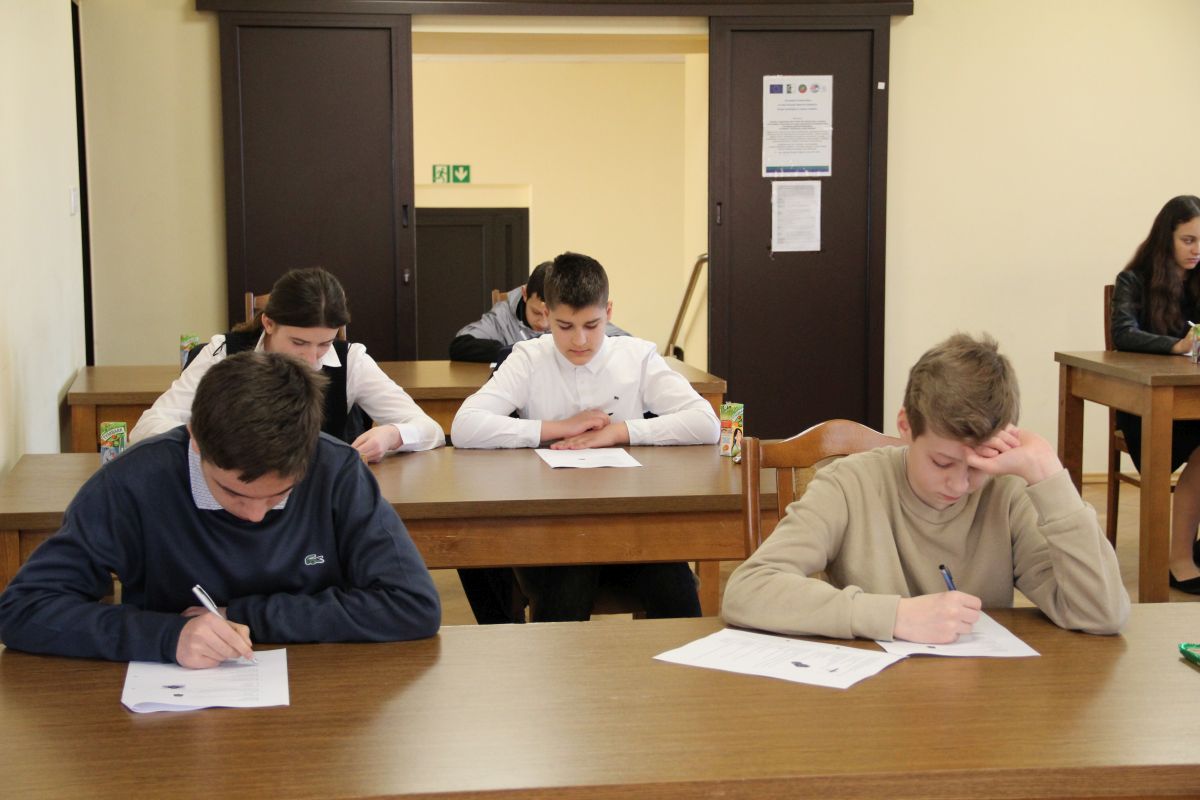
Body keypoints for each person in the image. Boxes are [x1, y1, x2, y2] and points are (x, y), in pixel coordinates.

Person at [0, 352, 441, 667]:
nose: (254, 516)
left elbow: (413, 605)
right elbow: (22, 609)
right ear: (195, 438)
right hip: (175, 701)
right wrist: (166, 636)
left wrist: (244, 615)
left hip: (319, 691)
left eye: (278, 496)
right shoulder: (132, 483)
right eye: (233, 493)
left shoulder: (336, 470)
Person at [721, 333, 1129, 643]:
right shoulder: (848, 484)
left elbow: (1103, 614)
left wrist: (1049, 476)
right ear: (905, 426)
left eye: (978, 466)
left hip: (982, 705)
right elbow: (747, 591)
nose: (959, 484)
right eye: (942, 462)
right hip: (872, 706)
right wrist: (894, 616)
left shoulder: (1006, 493)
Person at [451, 251, 720, 622]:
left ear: (608, 311)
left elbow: (706, 423)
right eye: (565, 326)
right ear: (546, 314)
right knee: (568, 585)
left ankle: (683, 661)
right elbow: (465, 426)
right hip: (552, 530)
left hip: (629, 527)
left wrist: (618, 432)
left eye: (592, 325)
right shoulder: (528, 358)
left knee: (674, 583)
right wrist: (561, 427)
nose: (579, 340)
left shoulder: (637, 356)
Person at [131, 266, 445, 461]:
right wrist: (209, 441)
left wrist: (391, 435)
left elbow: (429, 429)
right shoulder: (222, 353)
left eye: (324, 344)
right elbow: (147, 428)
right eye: (298, 343)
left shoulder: (351, 360)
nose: (311, 358)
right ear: (268, 323)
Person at [1110, 194, 1200, 591]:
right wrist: (1176, 346)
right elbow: (1123, 334)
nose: (1197, 250)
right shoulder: (1134, 280)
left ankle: (1188, 551)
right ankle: (1179, 558)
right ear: (1167, 238)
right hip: (1147, 407)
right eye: (1188, 240)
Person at [449, 260, 630, 363]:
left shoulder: (573, 316)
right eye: (536, 312)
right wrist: (521, 352)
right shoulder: (503, 315)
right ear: (524, 294)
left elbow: (626, 344)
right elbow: (460, 346)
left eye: (552, 316)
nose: (543, 323)